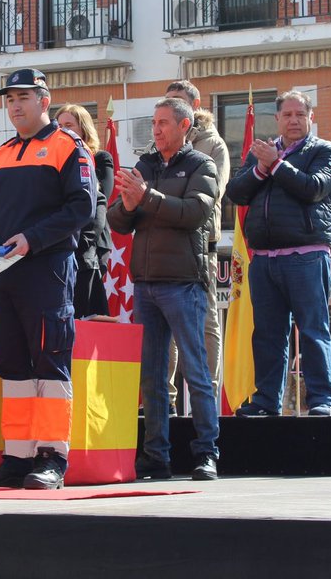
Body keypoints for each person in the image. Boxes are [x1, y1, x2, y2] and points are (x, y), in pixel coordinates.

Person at [0, 68, 96, 490]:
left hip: (46, 269)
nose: (15, 105)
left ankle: (52, 457)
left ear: (44, 100)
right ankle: (17, 457)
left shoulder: (67, 146)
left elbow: (82, 207)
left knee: (50, 364)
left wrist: (33, 239)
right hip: (0, 274)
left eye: (23, 97)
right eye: (9, 99)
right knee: (14, 369)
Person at [108, 97, 220, 481]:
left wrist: (147, 198)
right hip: (146, 284)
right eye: (153, 123)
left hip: (183, 284)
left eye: (163, 123)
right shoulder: (145, 165)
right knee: (152, 376)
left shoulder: (200, 165)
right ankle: (157, 456)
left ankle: (207, 453)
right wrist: (126, 204)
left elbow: (195, 213)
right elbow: (118, 221)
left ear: (184, 125)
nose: (155, 130)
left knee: (196, 371)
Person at [225, 90, 331, 417]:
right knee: (267, 335)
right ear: (276, 119)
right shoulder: (262, 153)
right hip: (264, 259)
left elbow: (314, 187)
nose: (293, 120)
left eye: (299, 115)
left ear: (310, 119)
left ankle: (321, 400)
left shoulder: (324, 150)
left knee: (313, 329)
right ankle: (265, 401)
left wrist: (275, 165)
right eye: (287, 115)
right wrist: (262, 168)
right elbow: (236, 192)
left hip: (306, 255)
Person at [165, 80, 231, 409]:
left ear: (195, 104)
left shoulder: (212, 145)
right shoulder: (159, 145)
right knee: (166, 324)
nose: (172, 110)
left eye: (178, 102)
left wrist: (165, 197)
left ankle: (207, 399)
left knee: (204, 321)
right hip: (164, 244)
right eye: (167, 103)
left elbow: (209, 192)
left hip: (201, 242)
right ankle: (165, 402)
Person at [54, 103, 114, 320]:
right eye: (59, 126)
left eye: (69, 125)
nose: (63, 130)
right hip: (64, 239)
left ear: (83, 129)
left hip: (92, 241)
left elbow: (101, 196)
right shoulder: (56, 159)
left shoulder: (100, 158)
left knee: (88, 310)